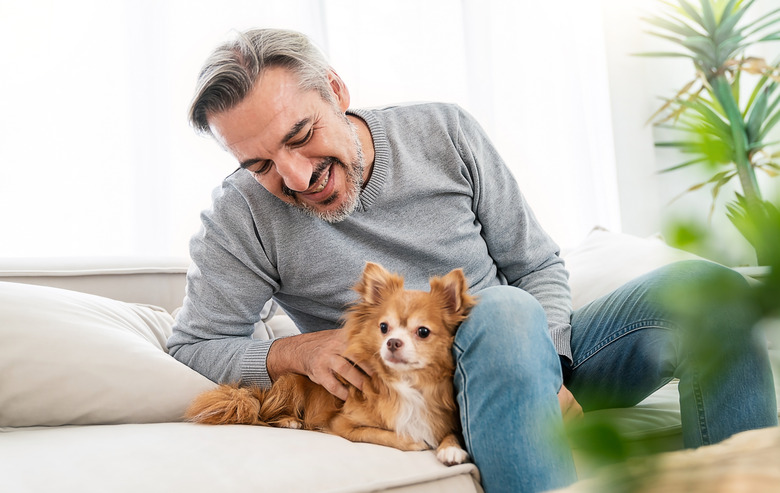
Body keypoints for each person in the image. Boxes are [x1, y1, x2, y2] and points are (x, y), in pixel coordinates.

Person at [167, 28, 777, 493]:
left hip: (540, 364)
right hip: (414, 393)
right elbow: (193, 347)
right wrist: (294, 350)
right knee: (505, 309)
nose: (297, 176)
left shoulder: (444, 132)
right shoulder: (239, 216)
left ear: (336, 91)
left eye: (301, 136)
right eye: (261, 165)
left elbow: (536, 264)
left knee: (712, 291)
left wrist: (553, 368)